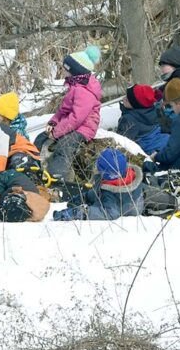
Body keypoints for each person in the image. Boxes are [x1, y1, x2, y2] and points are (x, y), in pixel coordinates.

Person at [36, 46, 102, 182]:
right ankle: (33, 166)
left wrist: (56, 132)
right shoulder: (75, 86)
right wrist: (53, 122)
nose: (63, 71)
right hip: (72, 124)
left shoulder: (84, 91)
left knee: (65, 145)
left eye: (65, 69)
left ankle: (57, 177)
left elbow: (76, 118)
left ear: (74, 71)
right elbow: (63, 110)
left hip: (84, 127)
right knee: (41, 138)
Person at [52, 149, 144, 221]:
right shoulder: (121, 176)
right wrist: (83, 198)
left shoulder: (111, 194)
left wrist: (79, 213)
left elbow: (110, 213)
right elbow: (98, 193)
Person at [116, 84, 170, 155]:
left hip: (154, 152)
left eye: (128, 98)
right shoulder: (153, 110)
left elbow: (121, 143)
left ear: (135, 104)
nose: (124, 98)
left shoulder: (129, 119)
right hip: (166, 141)